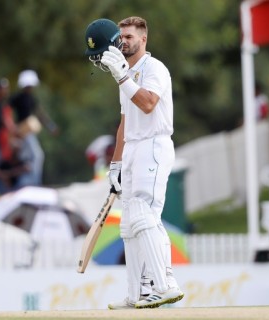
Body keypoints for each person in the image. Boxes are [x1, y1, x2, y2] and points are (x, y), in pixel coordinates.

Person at [84, 17, 183, 309]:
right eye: (121, 36)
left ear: (143, 39)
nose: (123, 41)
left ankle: (164, 285)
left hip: (154, 144)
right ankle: (136, 293)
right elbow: (124, 125)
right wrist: (115, 165)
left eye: (129, 36)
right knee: (129, 224)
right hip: (133, 149)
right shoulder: (124, 74)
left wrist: (123, 78)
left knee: (143, 212)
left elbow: (148, 103)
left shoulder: (154, 69)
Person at [9, 70, 59, 187]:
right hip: (22, 133)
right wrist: (12, 127)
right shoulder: (17, 98)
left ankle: (29, 183)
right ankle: (34, 183)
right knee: (36, 156)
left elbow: (40, 114)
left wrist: (51, 126)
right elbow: (7, 112)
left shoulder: (31, 99)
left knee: (30, 157)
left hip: (28, 131)